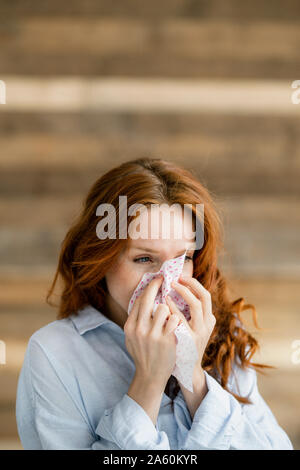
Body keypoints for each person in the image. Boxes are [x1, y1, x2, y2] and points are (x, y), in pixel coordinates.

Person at [15, 158, 293, 449]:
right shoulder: (54, 354)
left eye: (183, 258)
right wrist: (148, 382)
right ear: (102, 260)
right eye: (144, 259)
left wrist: (193, 378)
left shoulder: (220, 331)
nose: (167, 280)